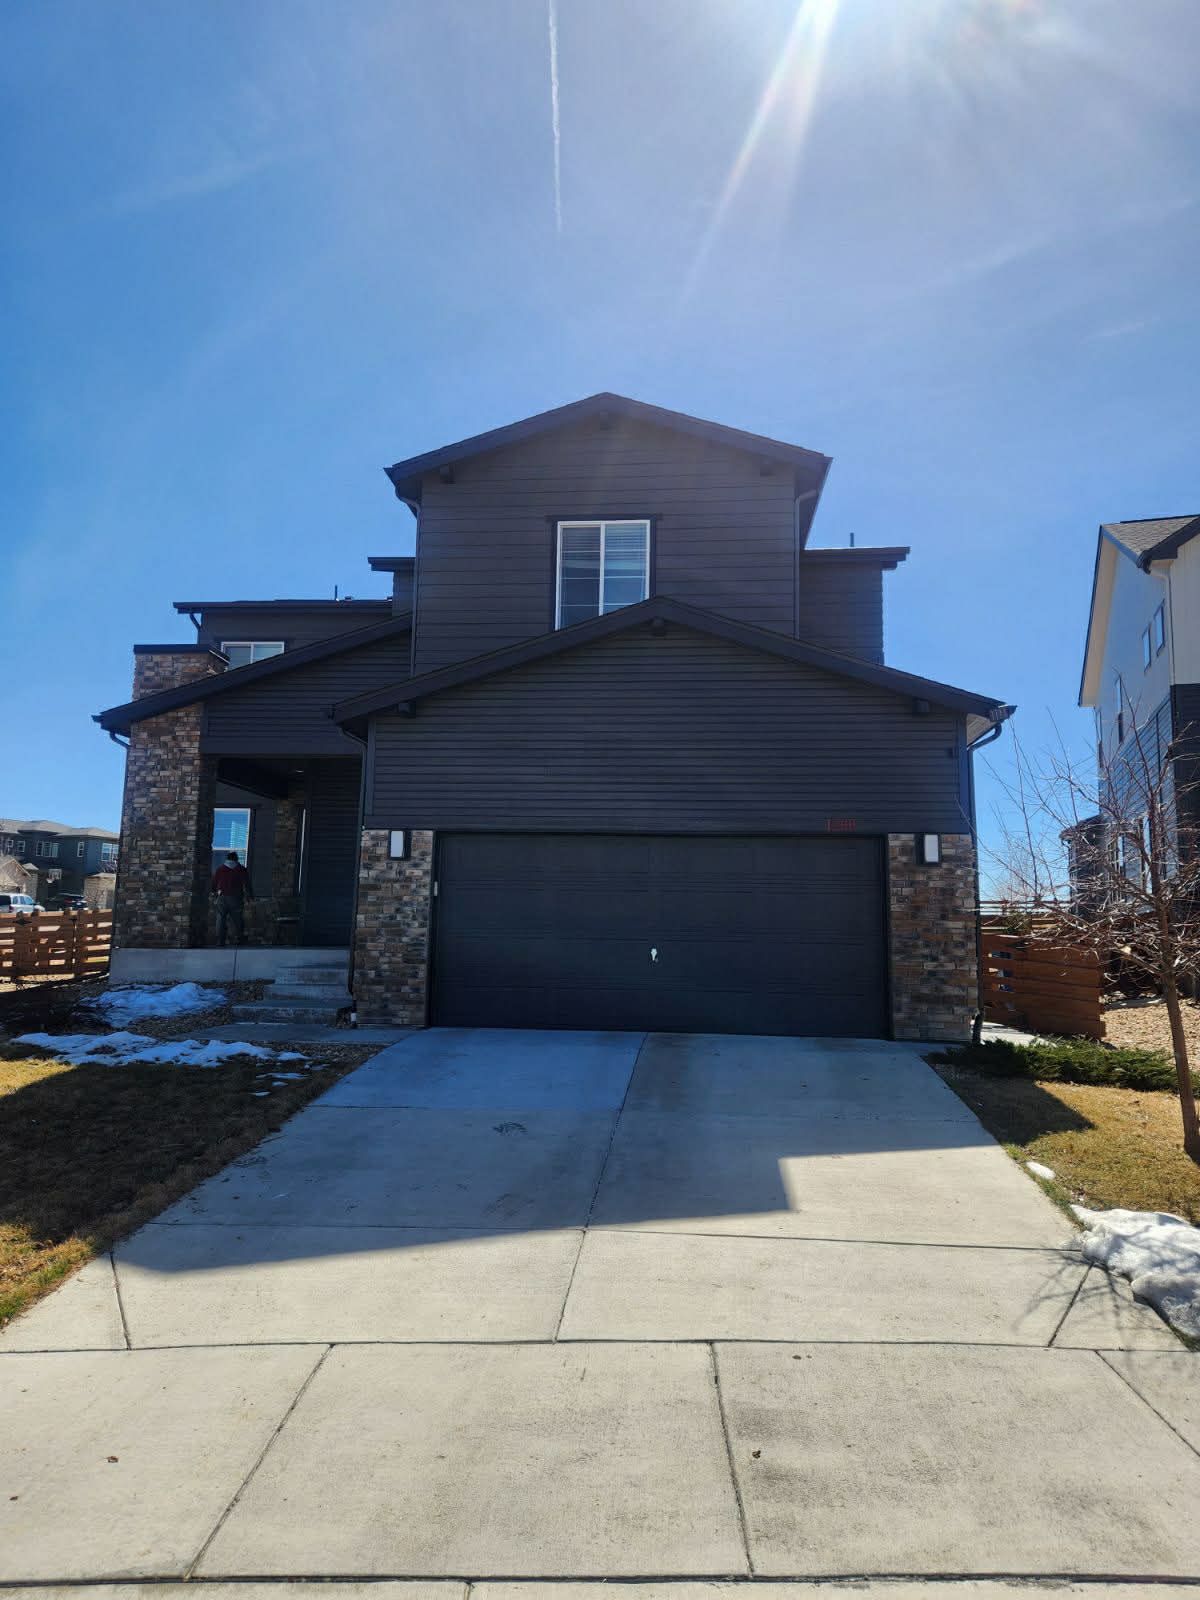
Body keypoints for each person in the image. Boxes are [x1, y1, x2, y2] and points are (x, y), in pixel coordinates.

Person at [211, 852, 253, 947]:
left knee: (220, 919)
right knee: (237, 919)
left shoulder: (220, 869)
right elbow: (247, 884)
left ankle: (220, 941)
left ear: (227, 859)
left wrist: (214, 893)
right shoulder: (241, 869)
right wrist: (250, 896)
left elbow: (214, 883)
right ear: (236, 859)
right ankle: (239, 939)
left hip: (222, 896)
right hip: (236, 897)